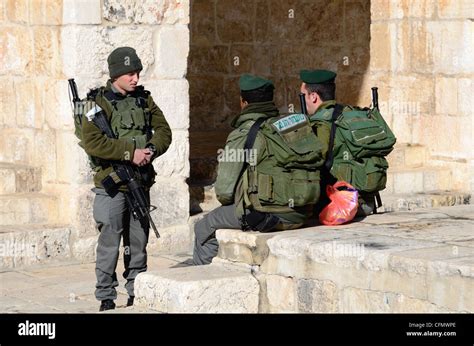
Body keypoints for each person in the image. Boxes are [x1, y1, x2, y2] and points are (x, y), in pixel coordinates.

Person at [81, 47, 172, 311]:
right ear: (116, 75)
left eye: (137, 73)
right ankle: (106, 296)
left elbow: (165, 131)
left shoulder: (145, 100)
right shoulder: (96, 104)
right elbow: (93, 142)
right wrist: (129, 153)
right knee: (110, 241)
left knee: (138, 241)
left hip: (139, 182)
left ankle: (136, 289)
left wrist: (151, 150)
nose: (135, 78)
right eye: (130, 74)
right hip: (111, 185)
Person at [193, 74, 315, 265]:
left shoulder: (243, 133)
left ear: (243, 102)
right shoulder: (292, 126)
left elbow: (224, 192)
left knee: (203, 227)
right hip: (304, 211)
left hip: (268, 216)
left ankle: (201, 276)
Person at [299, 69, 376, 216]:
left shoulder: (319, 123)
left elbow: (312, 160)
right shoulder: (351, 114)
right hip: (365, 202)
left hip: (336, 206)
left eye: (304, 96)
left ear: (314, 96)